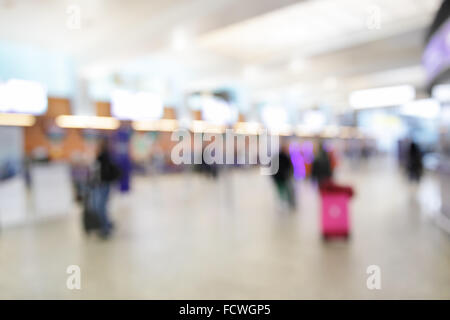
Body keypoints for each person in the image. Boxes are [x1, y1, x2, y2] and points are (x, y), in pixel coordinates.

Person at [95, 138, 120, 238]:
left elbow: (100, 169)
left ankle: (105, 228)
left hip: (104, 184)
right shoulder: (108, 155)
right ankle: (107, 224)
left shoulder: (103, 155)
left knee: (101, 206)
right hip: (105, 183)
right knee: (103, 206)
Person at [272, 142, 296, 210]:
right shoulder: (285, 157)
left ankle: (283, 201)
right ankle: (285, 202)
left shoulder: (278, 157)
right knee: (284, 190)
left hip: (280, 178)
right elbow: (290, 167)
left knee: (282, 190)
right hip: (283, 177)